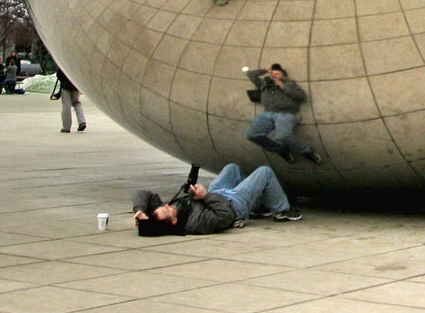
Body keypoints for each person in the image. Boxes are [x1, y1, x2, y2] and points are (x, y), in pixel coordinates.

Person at [133, 164, 301, 234]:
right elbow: (224, 215)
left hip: (215, 194)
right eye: (168, 209)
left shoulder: (165, 214)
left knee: (232, 168)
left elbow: (143, 193)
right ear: (175, 221)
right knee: (265, 172)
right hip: (233, 205)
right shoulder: (196, 223)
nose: (168, 205)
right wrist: (205, 196)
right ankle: (282, 211)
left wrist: (140, 211)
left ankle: (257, 205)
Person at [246, 65, 322, 164]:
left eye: (277, 74)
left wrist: (283, 87)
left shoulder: (289, 84)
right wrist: (265, 70)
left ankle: (307, 151)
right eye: (272, 74)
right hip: (267, 113)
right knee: (251, 135)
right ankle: (281, 150)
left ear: (284, 76)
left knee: (283, 136)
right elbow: (251, 75)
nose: (274, 76)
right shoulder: (264, 84)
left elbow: (301, 96)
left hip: (285, 113)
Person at [55, 65, 87, 132]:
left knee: (66, 106)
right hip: (75, 85)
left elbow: (59, 74)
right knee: (76, 103)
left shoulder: (63, 60)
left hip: (65, 85)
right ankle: (82, 121)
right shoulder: (76, 60)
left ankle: (66, 127)